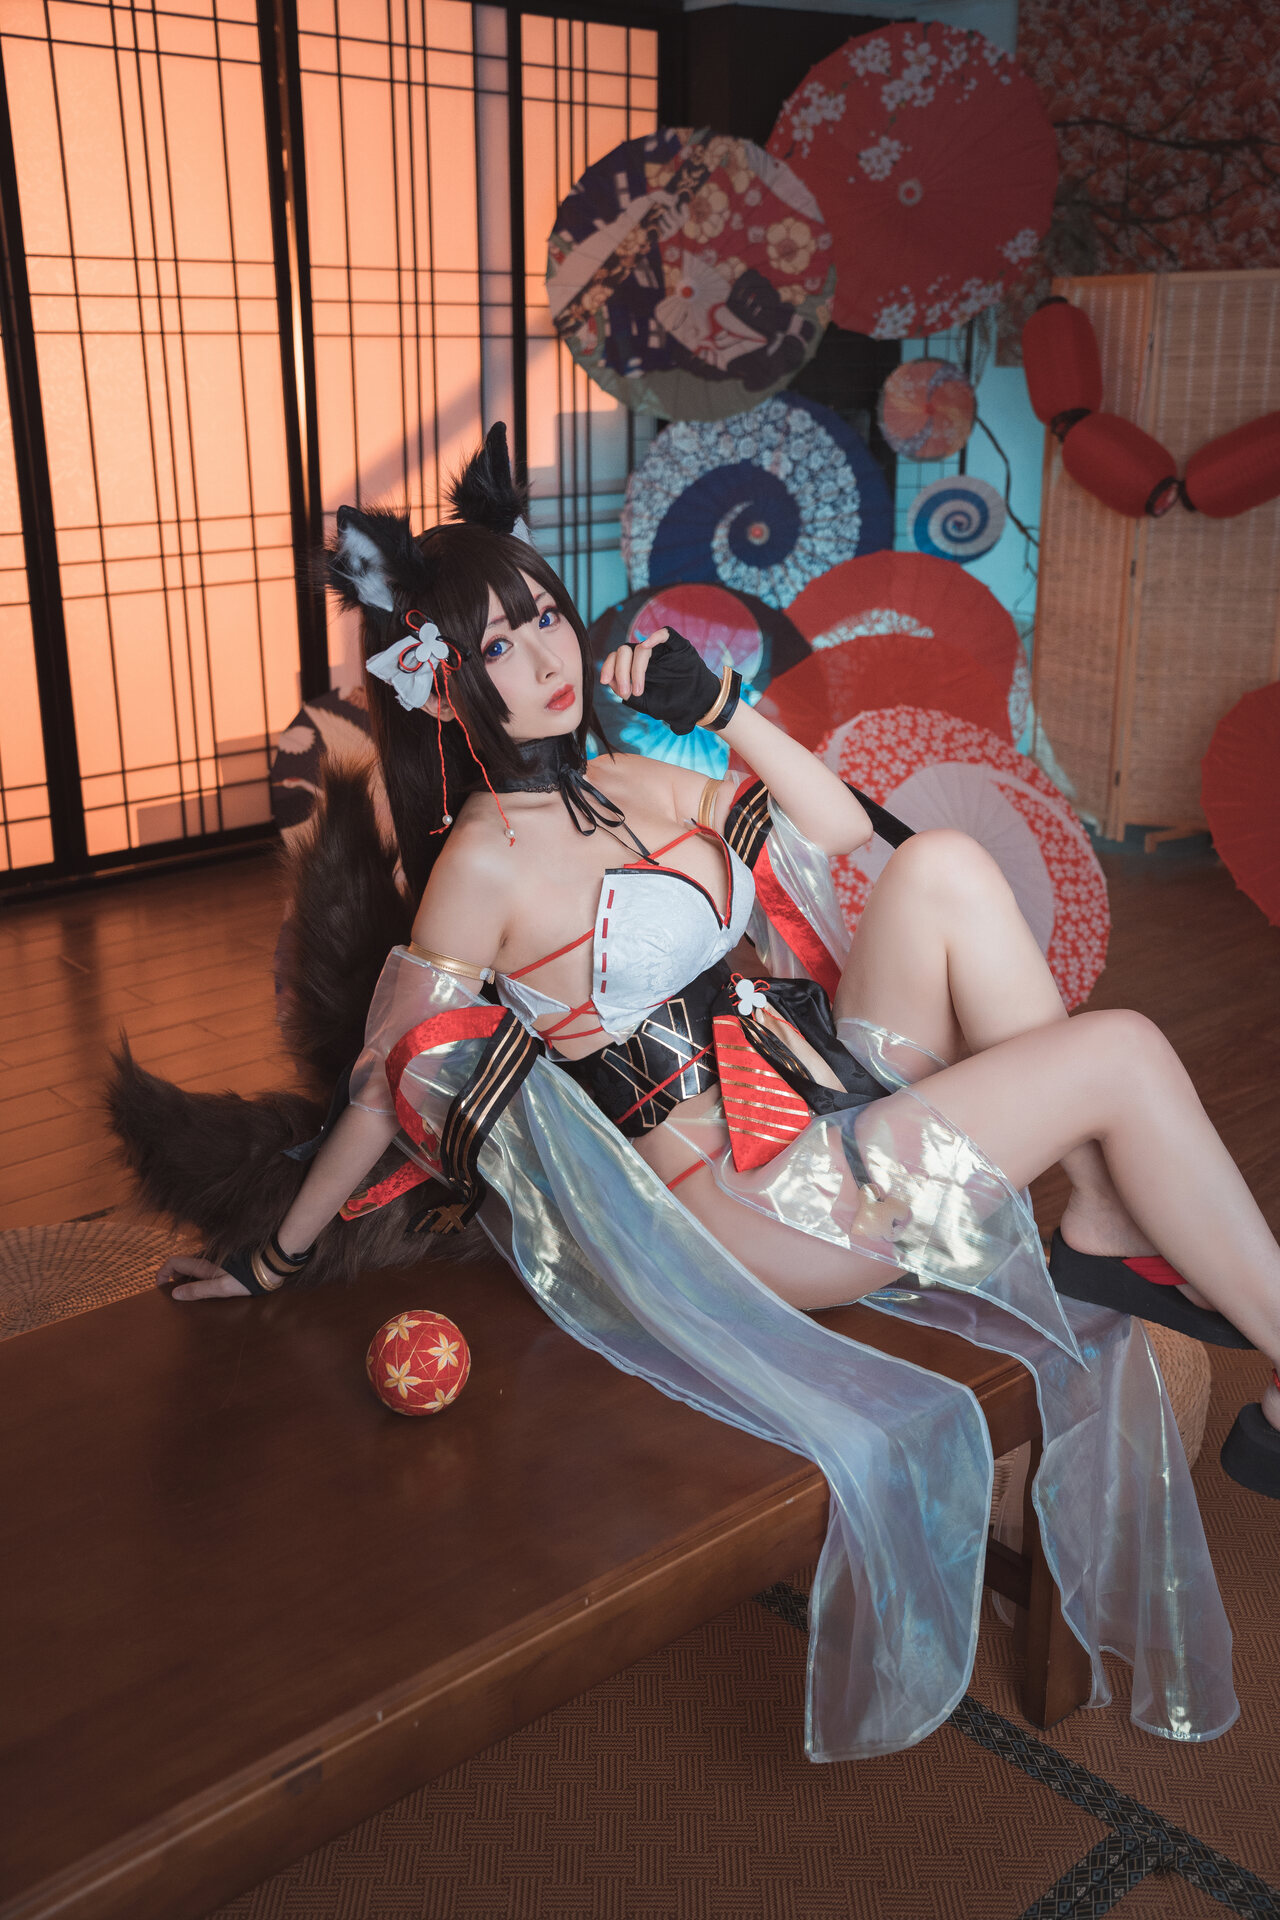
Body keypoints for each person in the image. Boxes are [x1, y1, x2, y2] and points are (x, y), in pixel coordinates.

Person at [113, 427, 1277, 1762]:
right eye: (498, 646)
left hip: (819, 1094)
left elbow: (842, 833)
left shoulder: (628, 778)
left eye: (544, 616)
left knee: (944, 865)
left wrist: (723, 707)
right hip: (751, 1200)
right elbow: (388, 1083)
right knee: (1120, 1051)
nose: (545, 656)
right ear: (446, 687)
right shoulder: (483, 863)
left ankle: (1105, 1211)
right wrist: (272, 1257)